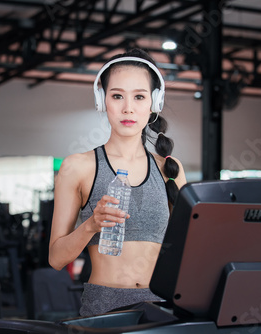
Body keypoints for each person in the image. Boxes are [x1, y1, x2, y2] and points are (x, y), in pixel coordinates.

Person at [49, 48, 187, 316]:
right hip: (104, 308)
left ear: (154, 103)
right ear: (103, 100)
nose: (128, 108)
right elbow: (56, 259)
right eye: (117, 96)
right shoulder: (77, 167)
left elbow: (190, 250)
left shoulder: (170, 169)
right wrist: (90, 225)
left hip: (162, 309)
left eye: (139, 96)